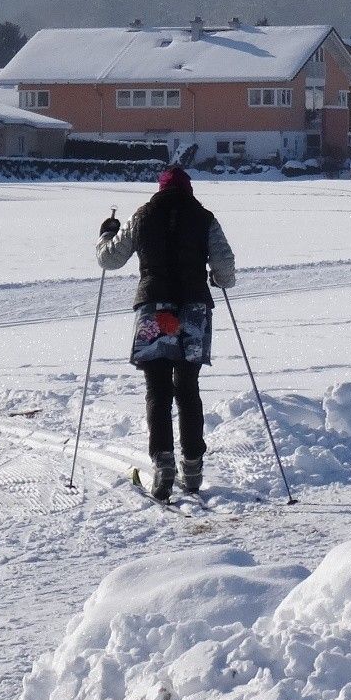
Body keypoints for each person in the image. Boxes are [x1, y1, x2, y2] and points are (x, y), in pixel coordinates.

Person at [96, 164, 237, 499]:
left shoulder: (141, 216)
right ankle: (193, 465)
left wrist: (105, 233)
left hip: (155, 308)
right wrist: (219, 279)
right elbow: (225, 266)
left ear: (160, 189)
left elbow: (110, 260)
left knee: (157, 389)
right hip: (193, 308)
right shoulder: (204, 217)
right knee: (188, 387)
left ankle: (163, 462)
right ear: (188, 190)